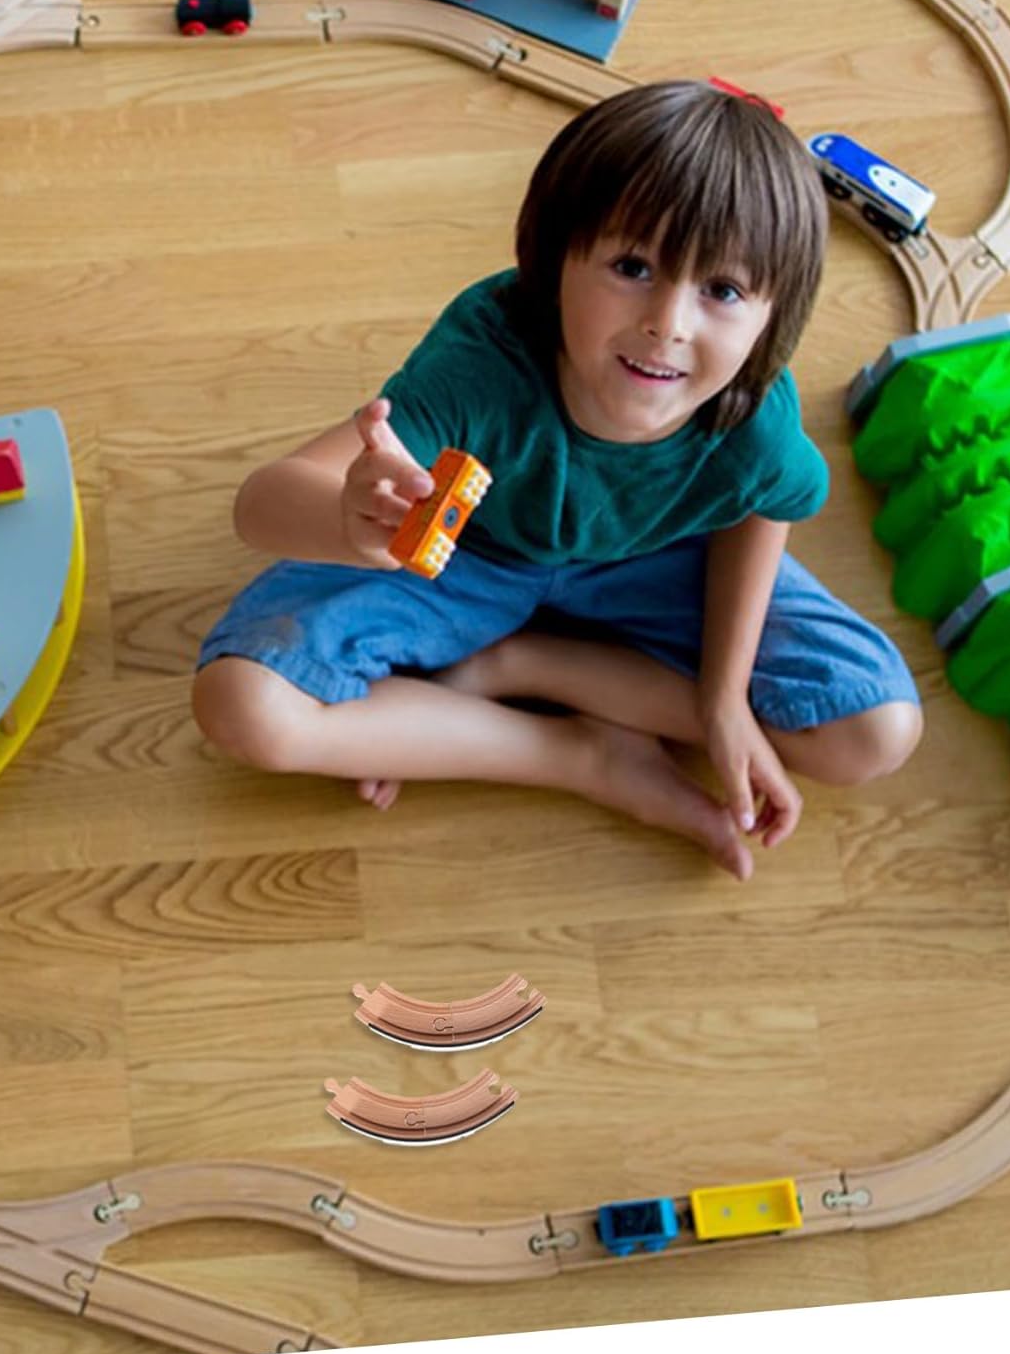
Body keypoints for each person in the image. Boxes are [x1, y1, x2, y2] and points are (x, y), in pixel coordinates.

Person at [192, 81, 923, 880]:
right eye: (633, 267)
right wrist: (349, 519)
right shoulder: (484, 360)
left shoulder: (754, 414)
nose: (669, 323)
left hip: (658, 561)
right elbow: (259, 505)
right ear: (551, 261)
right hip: (472, 554)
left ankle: (520, 666)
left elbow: (762, 509)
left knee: (874, 732)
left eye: (722, 290)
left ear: (775, 317)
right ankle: (581, 756)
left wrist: (722, 699)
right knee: (244, 705)